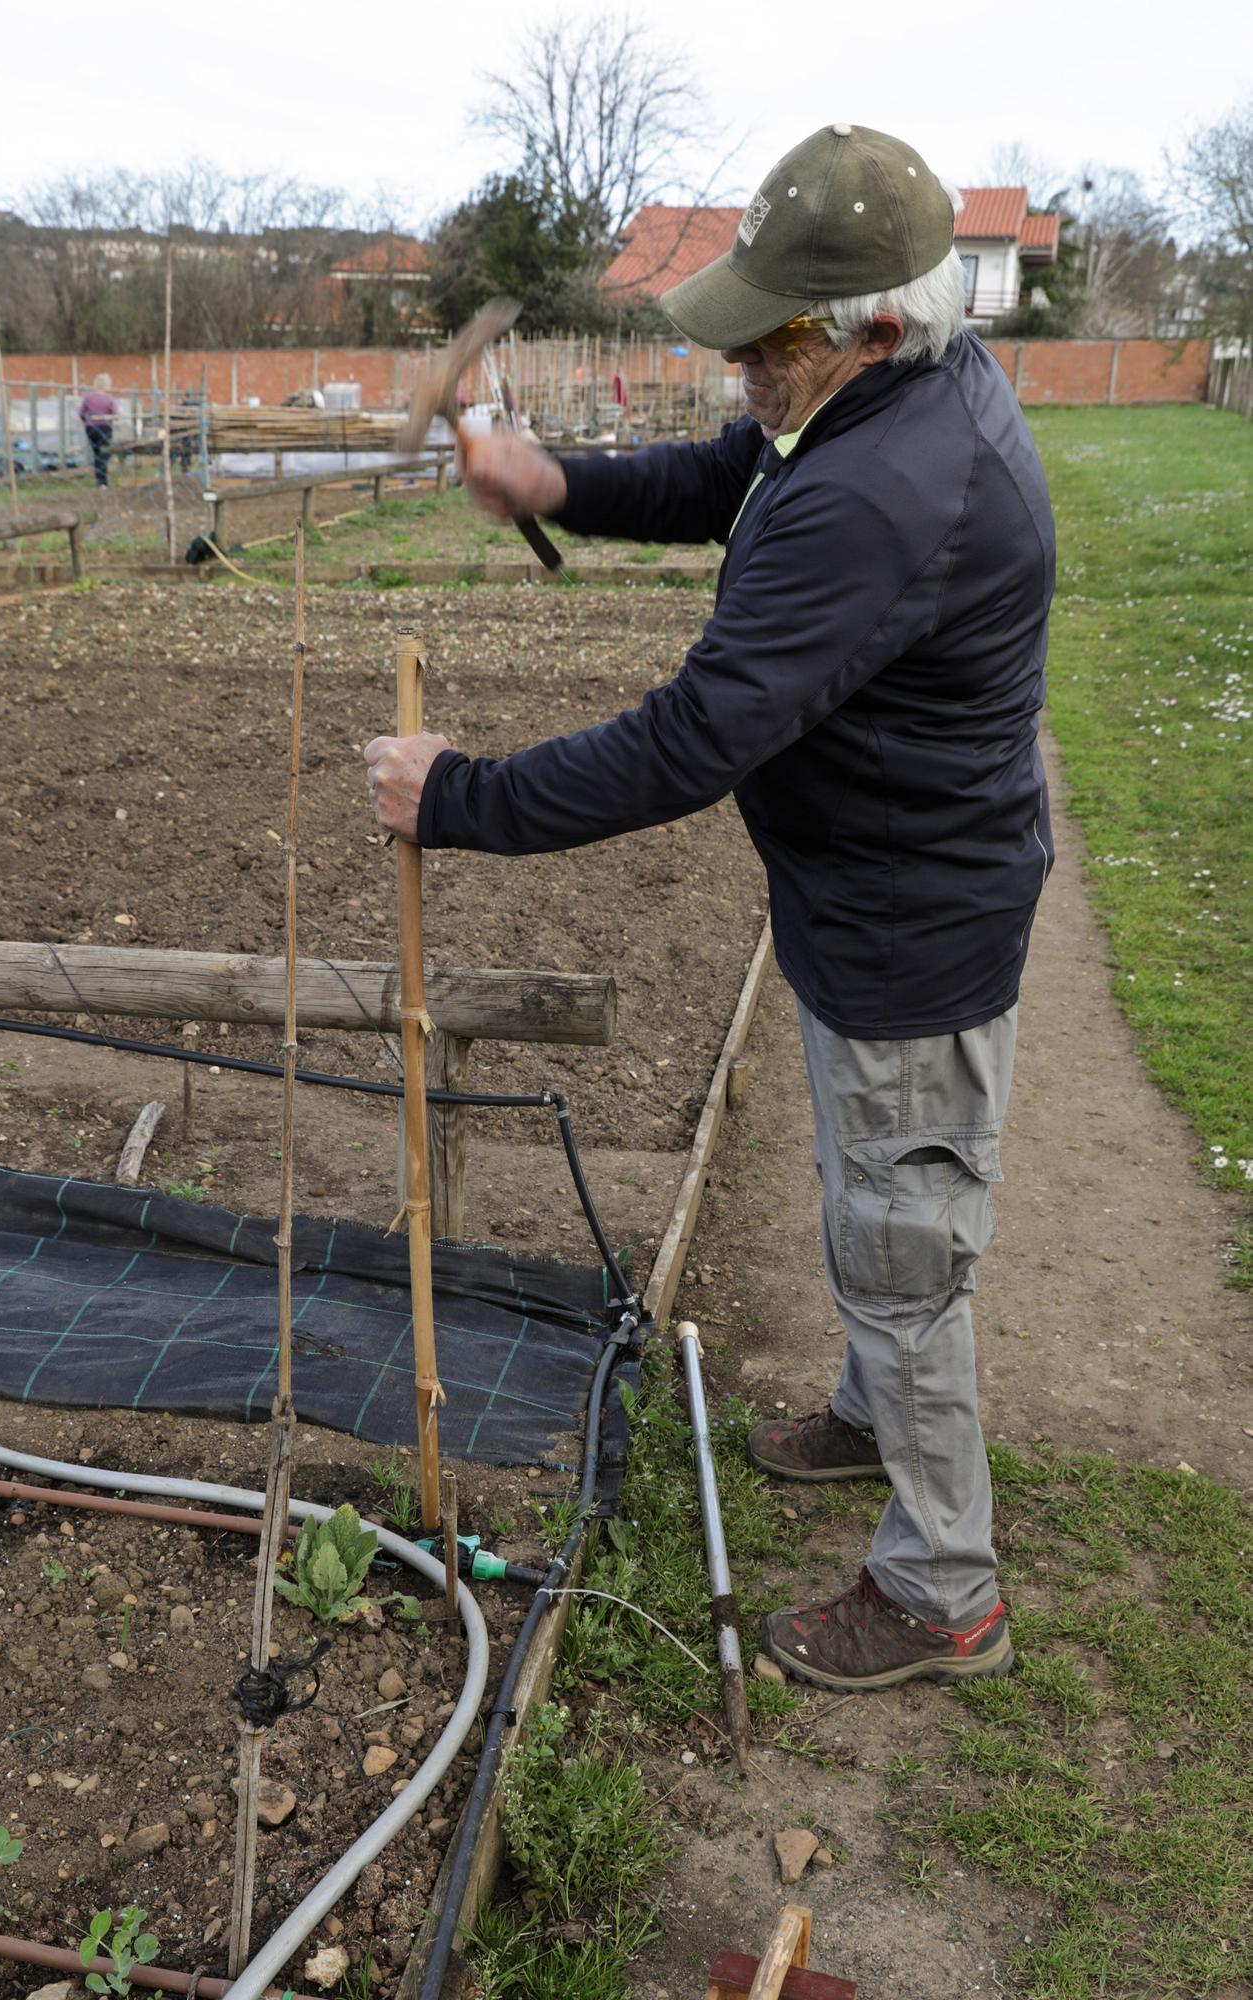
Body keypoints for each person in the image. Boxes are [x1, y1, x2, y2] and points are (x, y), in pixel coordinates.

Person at [364, 123, 1055, 1694]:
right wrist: (557, 482)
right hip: (867, 894)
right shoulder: (871, 399)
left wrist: (455, 793)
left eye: (770, 334)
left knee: (903, 1238)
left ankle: (943, 1588)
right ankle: (869, 1411)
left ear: (874, 321)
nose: (742, 356)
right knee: (872, 1194)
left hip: (906, 934)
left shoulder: (884, 489)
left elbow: (690, 739)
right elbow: (729, 472)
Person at [79, 373, 117, 487]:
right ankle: (102, 481)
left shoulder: (88, 397)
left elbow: (81, 413)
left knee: (96, 453)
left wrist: (87, 422)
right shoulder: (109, 399)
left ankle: (99, 480)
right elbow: (115, 414)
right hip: (104, 428)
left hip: (91, 429)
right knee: (104, 453)